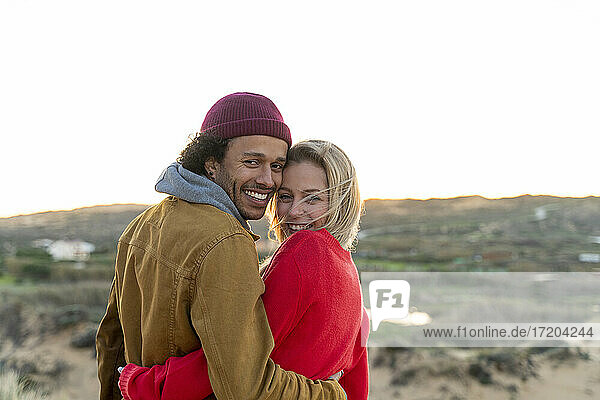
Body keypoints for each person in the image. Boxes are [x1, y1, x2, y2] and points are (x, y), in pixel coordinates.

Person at [96, 93, 348, 400]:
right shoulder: (227, 241)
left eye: (277, 165)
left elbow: (111, 344)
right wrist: (331, 394)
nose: (268, 180)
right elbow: (246, 389)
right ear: (212, 163)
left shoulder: (140, 225)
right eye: (252, 162)